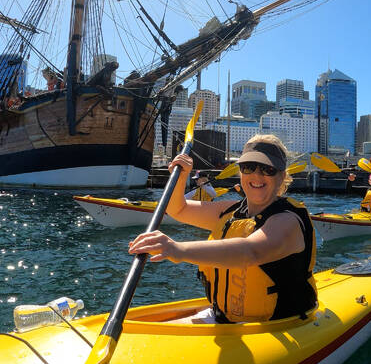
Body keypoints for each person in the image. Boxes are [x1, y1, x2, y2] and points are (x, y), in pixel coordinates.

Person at [128, 134, 317, 324]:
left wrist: (177, 249)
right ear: (240, 173)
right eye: (248, 167)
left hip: (278, 325)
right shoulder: (229, 212)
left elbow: (249, 252)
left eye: (268, 169)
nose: (257, 176)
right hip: (223, 317)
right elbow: (178, 209)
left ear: (282, 176)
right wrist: (181, 177)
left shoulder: (287, 220)